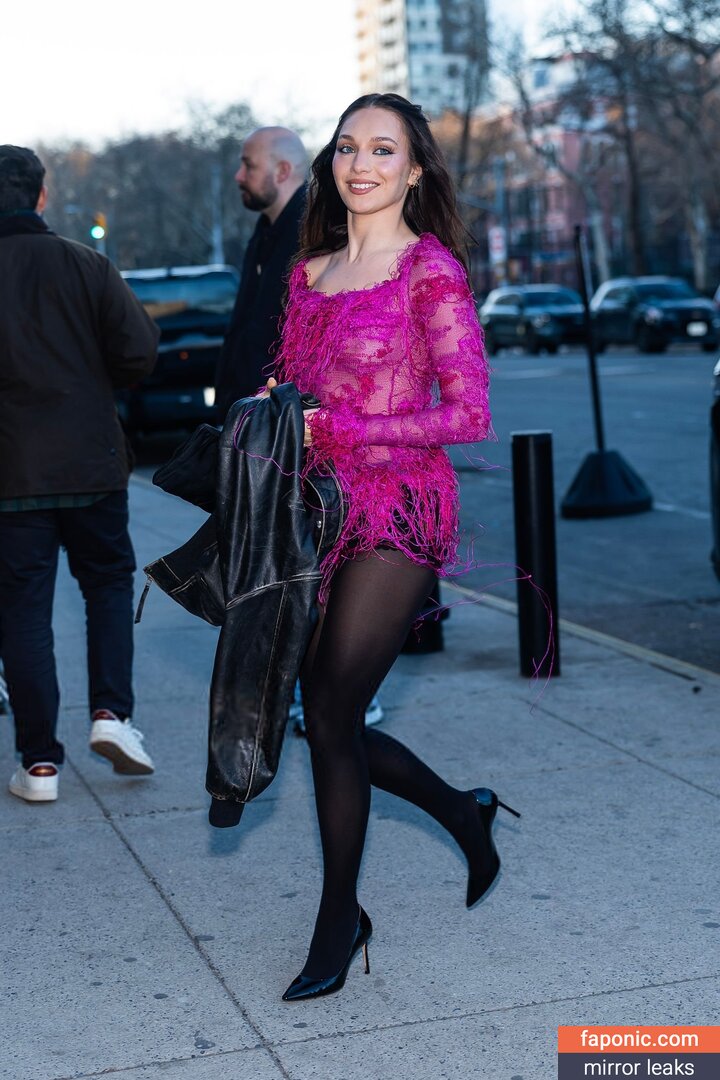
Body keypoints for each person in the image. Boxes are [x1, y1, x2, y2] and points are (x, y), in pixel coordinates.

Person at [263, 94, 520, 1002]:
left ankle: (339, 919)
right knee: (324, 717)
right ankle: (463, 811)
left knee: (332, 709)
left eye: (382, 150)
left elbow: (469, 412)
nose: (360, 164)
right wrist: (275, 411)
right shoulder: (309, 272)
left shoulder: (430, 272)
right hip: (315, 514)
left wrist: (346, 430)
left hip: (401, 512)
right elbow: (297, 388)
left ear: (413, 171)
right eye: (347, 147)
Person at [0, 145, 159, 803]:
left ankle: (39, 764)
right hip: (92, 462)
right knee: (108, 587)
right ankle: (112, 715)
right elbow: (139, 351)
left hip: (11, 475)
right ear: (41, 197)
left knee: (22, 612)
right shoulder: (86, 264)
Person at [213, 126, 309, 416]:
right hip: (253, 414)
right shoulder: (266, 230)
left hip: (280, 421)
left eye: (249, 165)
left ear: (282, 171)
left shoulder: (312, 237)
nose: (239, 176)